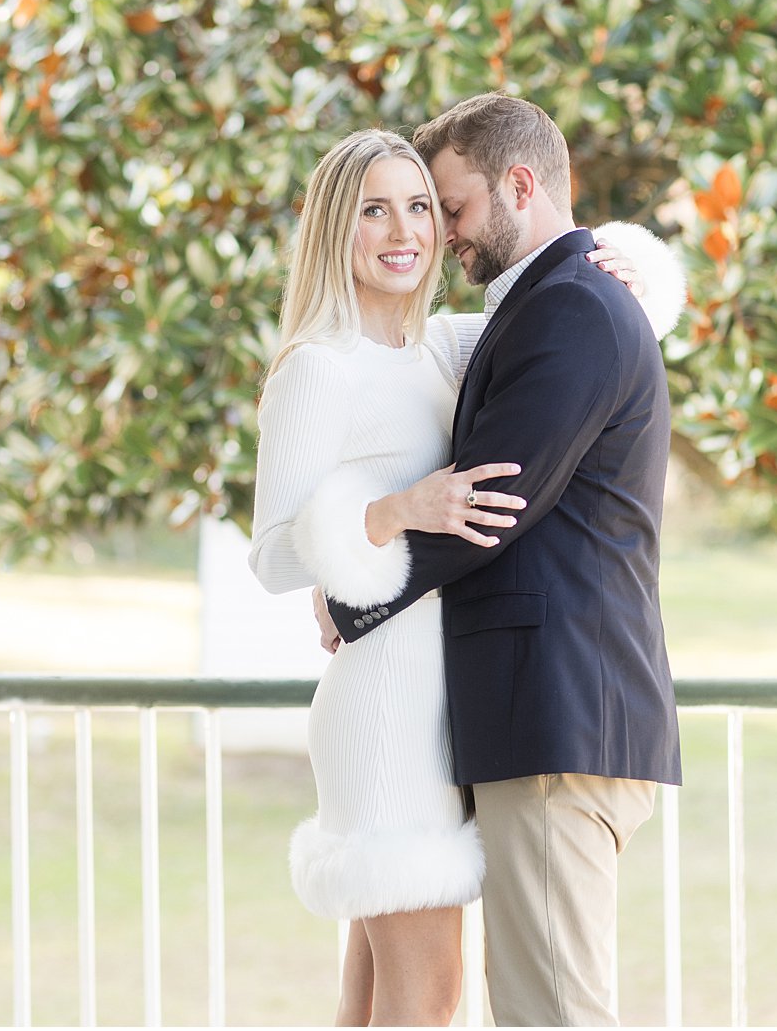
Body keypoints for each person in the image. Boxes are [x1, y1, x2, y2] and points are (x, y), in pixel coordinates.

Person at [248, 125, 682, 1026]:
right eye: (376, 210)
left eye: (425, 206)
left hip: (446, 703)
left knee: (380, 999)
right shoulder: (316, 369)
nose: (413, 231)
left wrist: (633, 268)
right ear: (334, 228)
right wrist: (391, 515)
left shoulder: (441, 349)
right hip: (385, 704)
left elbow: (560, 310)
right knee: (427, 993)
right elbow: (274, 554)